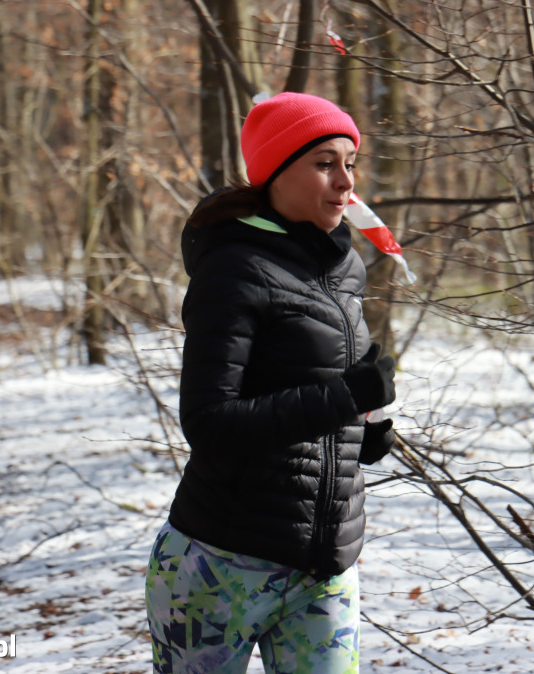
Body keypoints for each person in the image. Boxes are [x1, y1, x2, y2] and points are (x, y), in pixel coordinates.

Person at [146, 92, 398, 673]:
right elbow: (209, 423)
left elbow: (309, 391)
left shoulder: (345, 268)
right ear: (277, 172)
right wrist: (346, 397)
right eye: (324, 163)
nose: (345, 182)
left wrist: (365, 433)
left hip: (325, 568)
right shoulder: (234, 268)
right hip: (219, 566)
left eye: (350, 163)